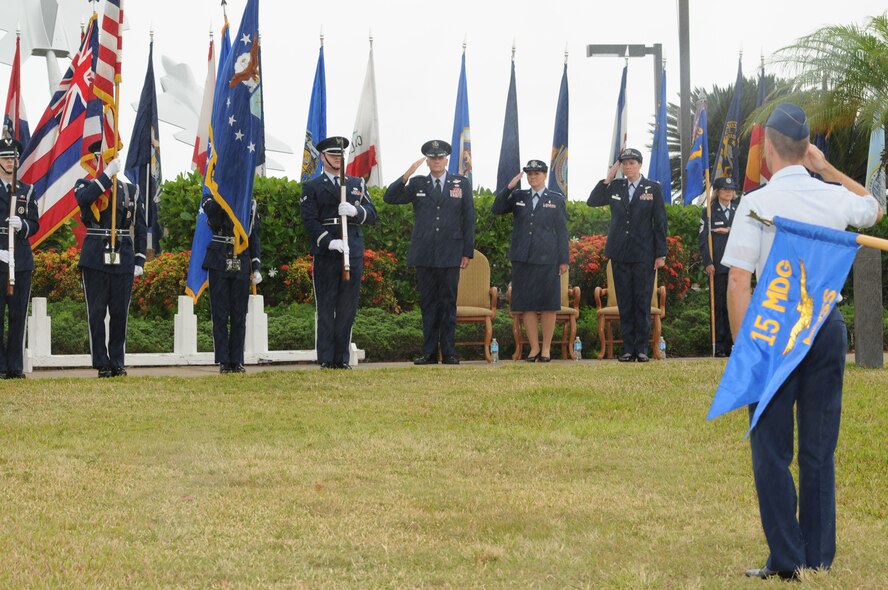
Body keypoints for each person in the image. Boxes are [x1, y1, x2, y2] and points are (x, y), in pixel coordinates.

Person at [721, 103, 882, 580]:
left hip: (773, 332)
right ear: (806, 148)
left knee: (772, 449)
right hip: (825, 328)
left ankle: (788, 560)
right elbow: (874, 209)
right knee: (817, 448)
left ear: (768, 148)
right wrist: (828, 169)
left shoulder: (757, 203)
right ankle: (819, 557)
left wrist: (744, 352)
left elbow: (737, 282)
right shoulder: (831, 197)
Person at [383, 140, 475, 365]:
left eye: (440, 157)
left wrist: (467, 252)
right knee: (428, 304)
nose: (436, 161)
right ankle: (429, 353)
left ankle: (450, 352)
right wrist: (407, 174)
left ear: (446, 160)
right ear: (427, 161)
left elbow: (469, 219)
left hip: (451, 253)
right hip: (424, 253)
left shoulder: (460, 183)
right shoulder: (417, 183)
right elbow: (390, 197)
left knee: (448, 303)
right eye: (432, 158)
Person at [300, 136, 377, 369]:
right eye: (333, 155)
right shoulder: (312, 186)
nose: (337, 158)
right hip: (327, 252)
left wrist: (356, 210)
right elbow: (310, 221)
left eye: (340, 155)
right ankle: (326, 358)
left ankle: (341, 358)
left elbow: (372, 213)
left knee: (347, 307)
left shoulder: (355, 184)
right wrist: (329, 242)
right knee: (326, 306)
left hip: (351, 249)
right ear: (323, 157)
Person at [74, 141, 147, 378]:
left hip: (123, 256)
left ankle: (117, 361)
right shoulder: (84, 185)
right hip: (95, 256)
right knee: (96, 312)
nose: (107, 161)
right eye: (103, 157)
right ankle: (101, 362)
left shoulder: (130, 190)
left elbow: (141, 226)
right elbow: (85, 199)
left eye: (110, 157)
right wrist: (105, 176)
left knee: (119, 312)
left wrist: (139, 260)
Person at [587, 148, 667, 362]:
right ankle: (627, 349)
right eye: (625, 164)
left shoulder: (653, 188)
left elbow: (660, 222)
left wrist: (660, 253)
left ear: (640, 165)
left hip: (644, 254)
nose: (628, 167)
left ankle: (641, 349)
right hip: (619, 252)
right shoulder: (615, 186)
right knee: (625, 301)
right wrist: (609, 176)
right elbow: (592, 201)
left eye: (632, 163)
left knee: (641, 300)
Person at [493, 160, 569, 362]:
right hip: (522, 257)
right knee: (526, 304)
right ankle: (534, 348)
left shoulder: (555, 199)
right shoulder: (519, 196)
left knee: (548, 305)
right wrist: (509, 187)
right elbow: (497, 208)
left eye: (536, 173)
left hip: (547, 259)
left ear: (545, 175)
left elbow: (562, 232)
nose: (532, 177)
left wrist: (564, 260)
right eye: (529, 174)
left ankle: (546, 349)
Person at [201, 192, 261, 373]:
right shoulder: (210, 197)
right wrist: (226, 197)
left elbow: (254, 236)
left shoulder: (249, 203)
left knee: (239, 314)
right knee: (219, 313)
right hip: (219, 258)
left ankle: (237, 359)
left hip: (241, 259)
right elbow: (215, 218)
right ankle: (223, 360)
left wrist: (256, 265)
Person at [0, 138, 39, 379]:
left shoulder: (27, 190)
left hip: (21, 260)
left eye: (13, 158)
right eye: (5, 158)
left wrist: (22, 224)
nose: (11, 163)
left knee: (18, 316)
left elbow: (35, 223)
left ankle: (15, 366)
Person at [699, 176, 739, 357]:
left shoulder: (740, 211)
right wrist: (708, 262)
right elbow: (702, 240)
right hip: (718, 266)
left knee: (735, 306)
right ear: (717, 192)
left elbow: (749, 235)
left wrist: (730, 230)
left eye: (731, 190)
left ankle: (734, 343)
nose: (728, 193)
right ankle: (720, 345)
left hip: (737, 267)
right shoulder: (709, 212)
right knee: (719, 306)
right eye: (725, 190)